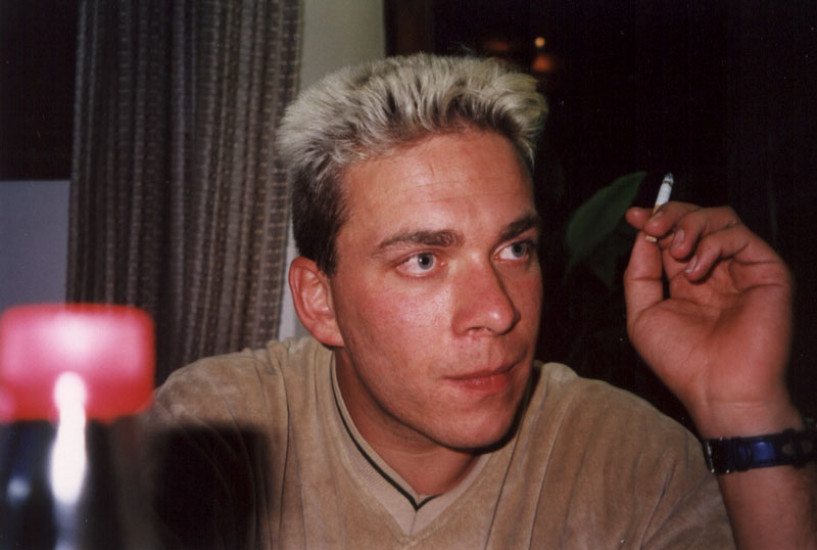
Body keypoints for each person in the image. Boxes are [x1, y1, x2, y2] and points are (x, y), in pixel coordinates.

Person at [144, 54, 816, 549]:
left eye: (514, 249)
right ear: (319, 302)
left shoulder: (630, 460)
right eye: (424, 260)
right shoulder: (215, 433)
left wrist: (743, 408)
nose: (498, 312)